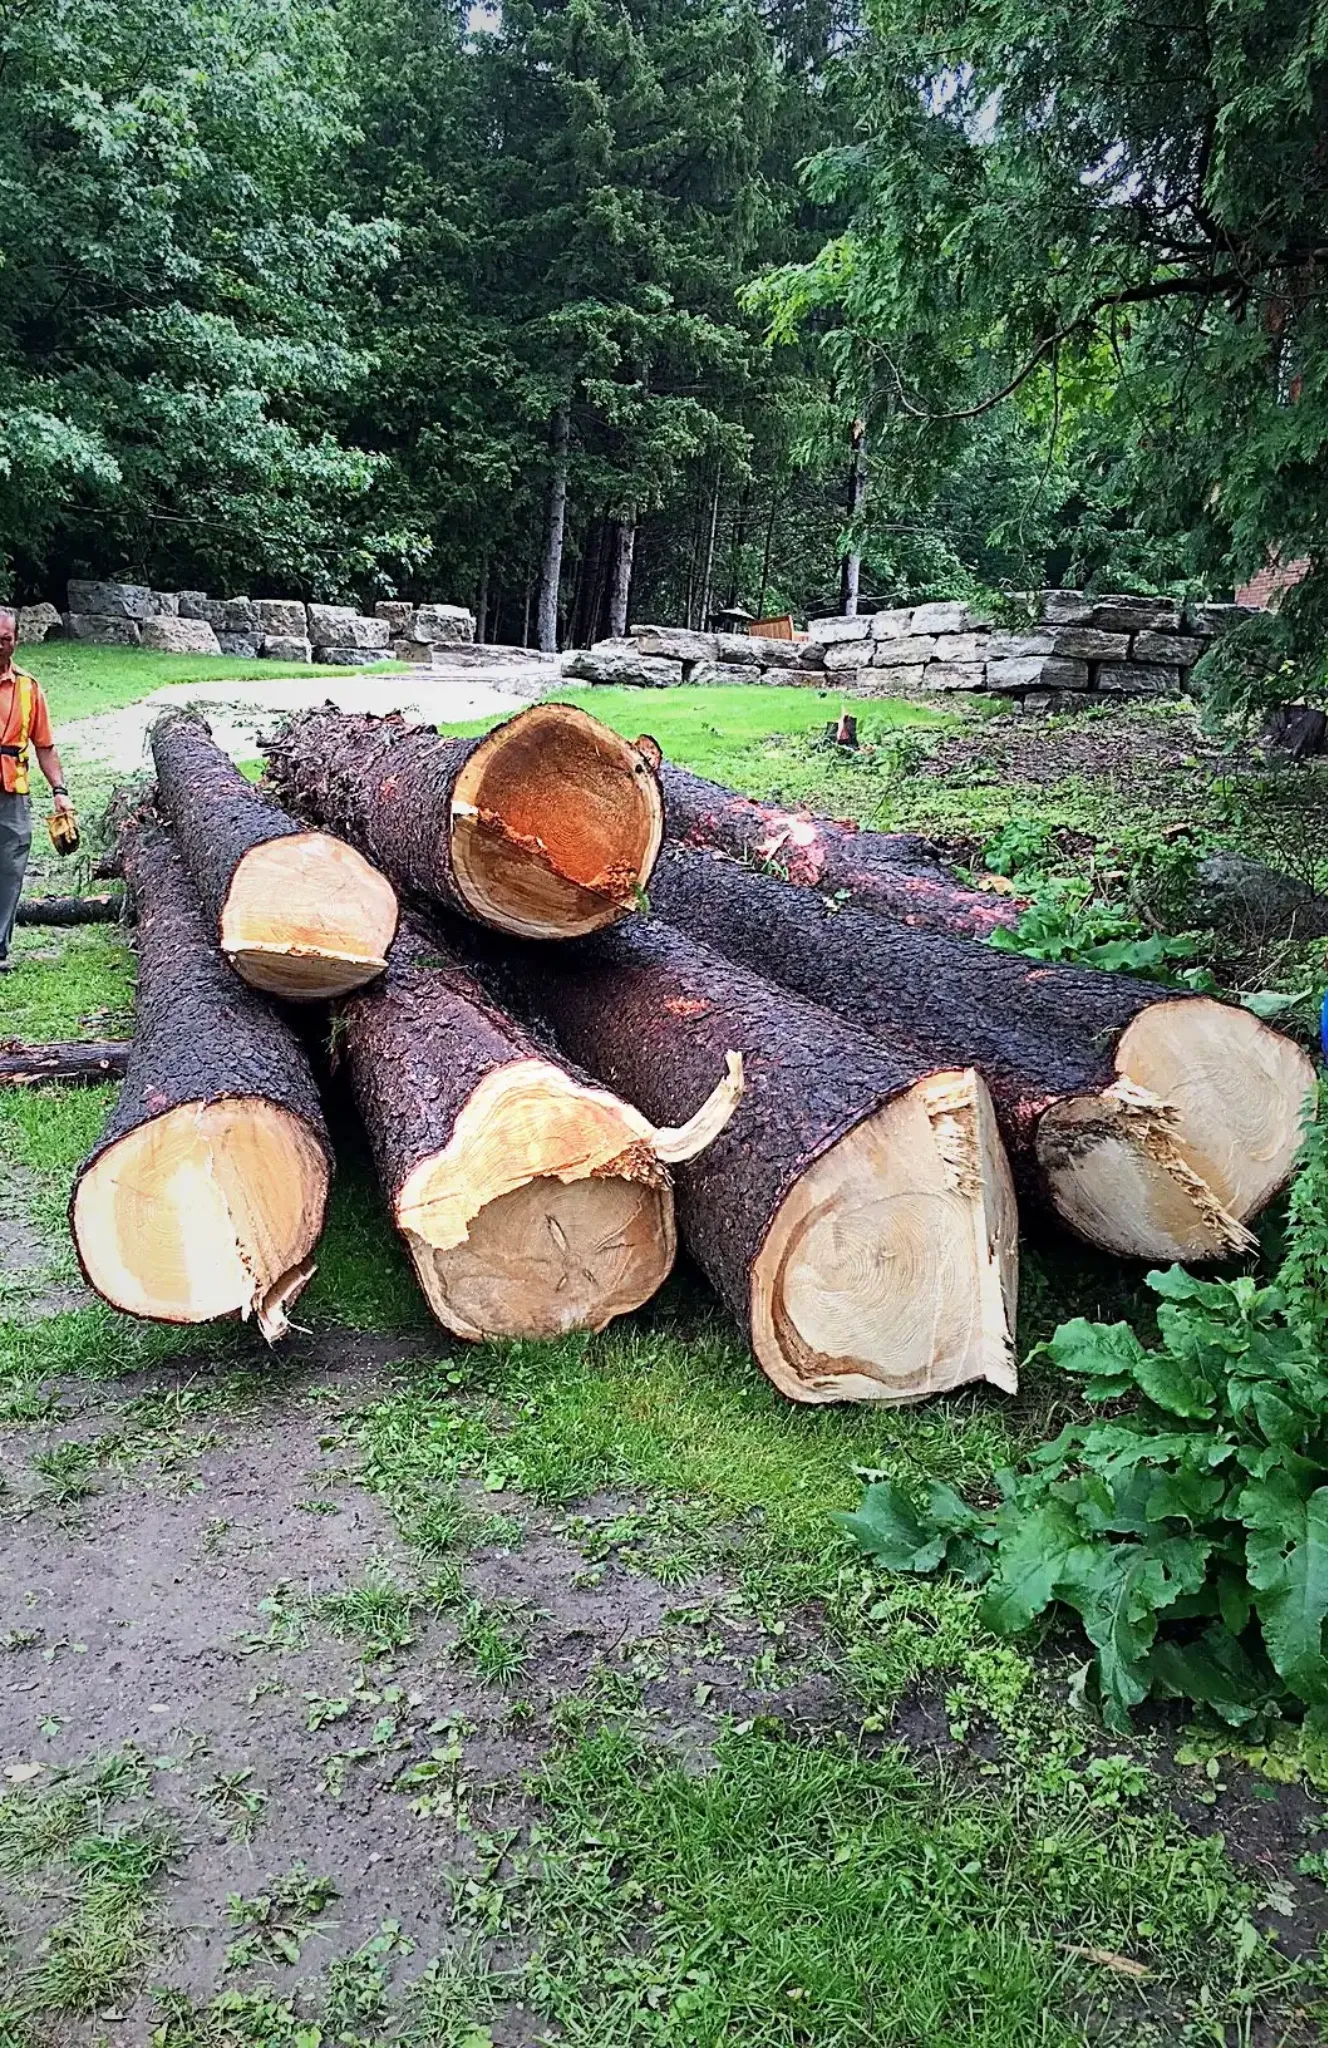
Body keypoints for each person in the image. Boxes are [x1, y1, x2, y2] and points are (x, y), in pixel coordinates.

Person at [0, 607, 75, 972]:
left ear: (16, 641)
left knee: (11, 867)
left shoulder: (28, 687)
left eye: (5, 639)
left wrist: (60, 790)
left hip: (13, 789)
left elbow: (44, 746)